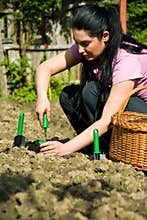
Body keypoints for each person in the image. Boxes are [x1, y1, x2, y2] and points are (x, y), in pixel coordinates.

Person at [35, 5, 147, 157]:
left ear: (105, 36)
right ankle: (98, 148)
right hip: (125, 115)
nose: (80, 50)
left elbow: (107, 119)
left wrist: (66, 148)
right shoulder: (87, 49)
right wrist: (42, 97)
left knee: (91, 91)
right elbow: (45, 68)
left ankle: (114, 150)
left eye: (85, 43)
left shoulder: (126, 59)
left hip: (142, 121)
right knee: (69, 95)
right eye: (77, 43)